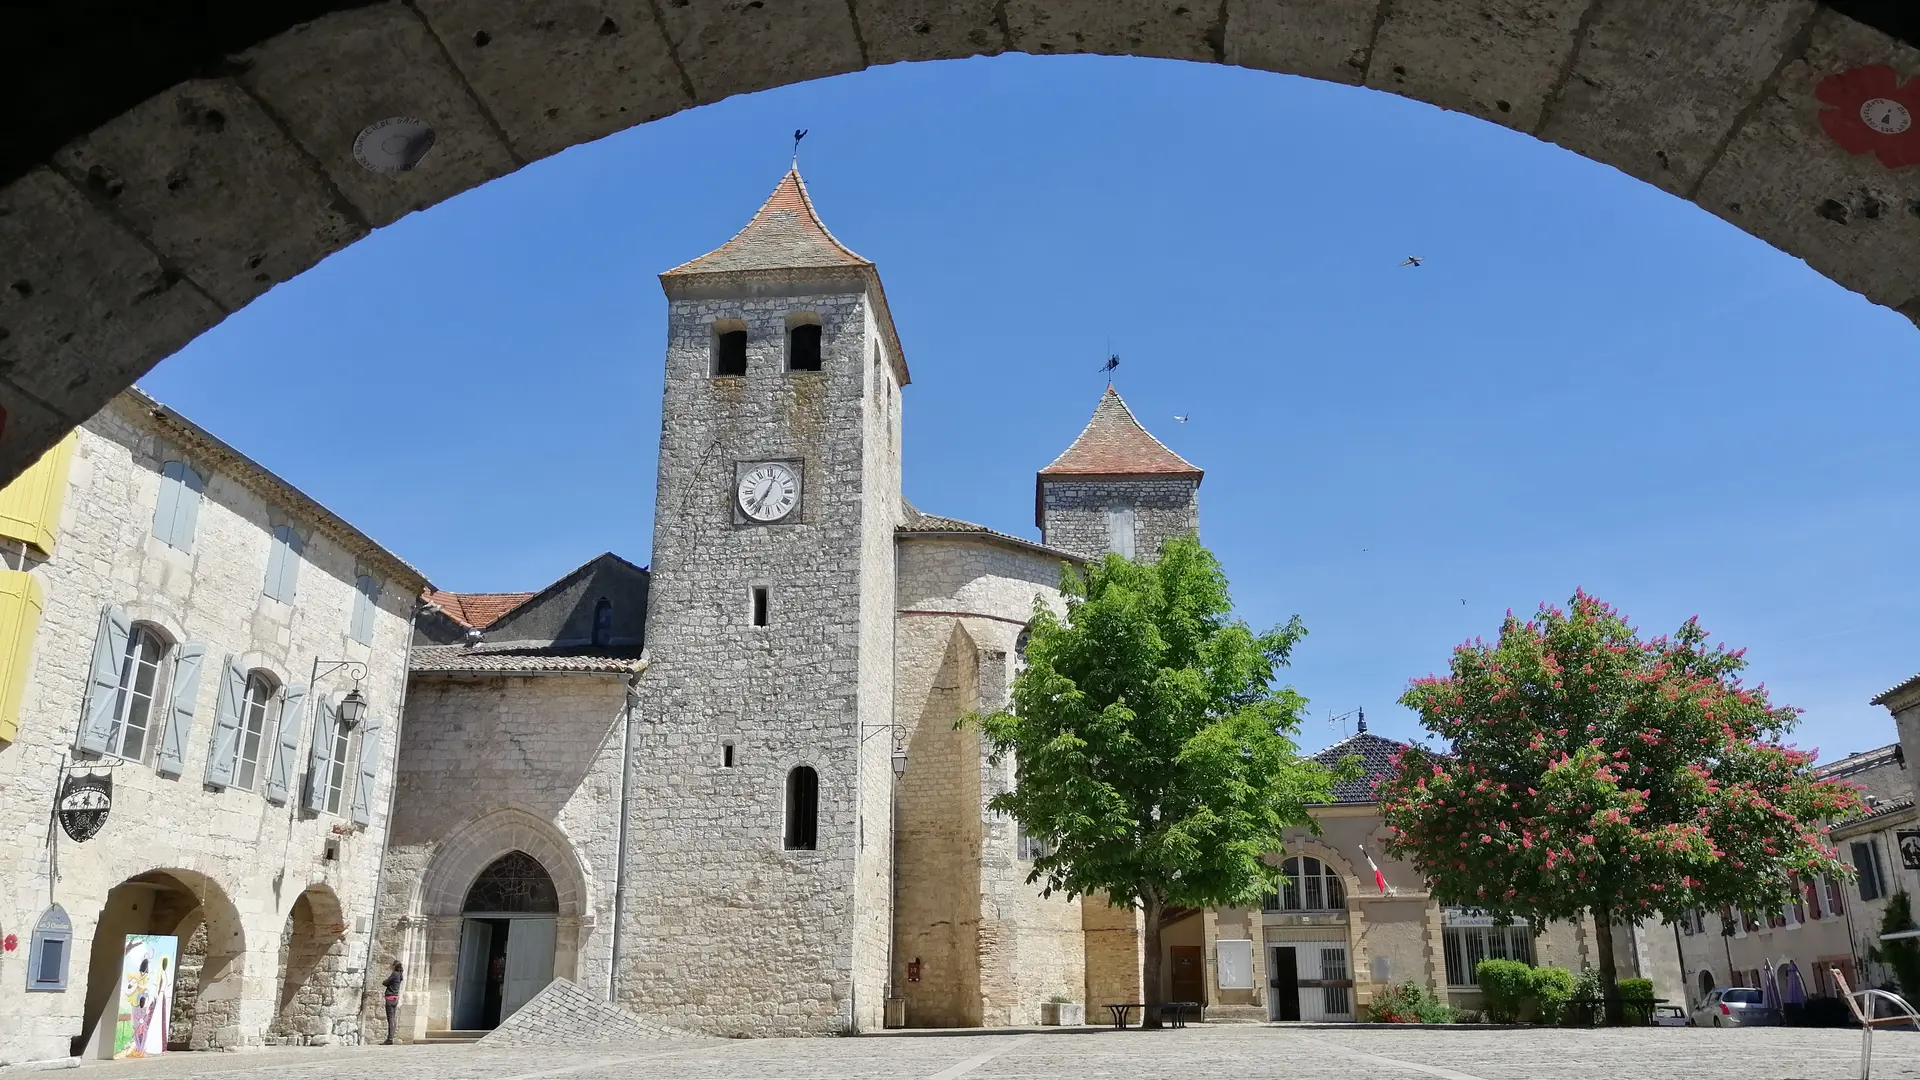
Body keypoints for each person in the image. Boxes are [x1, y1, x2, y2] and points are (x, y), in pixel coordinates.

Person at [382, 962, 403, 1044]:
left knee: (390, 1019)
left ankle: (390, 1039)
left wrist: (385, 982)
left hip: (390, 998)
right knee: (393, 1018)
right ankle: (391, 1037)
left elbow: (385, 982)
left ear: (394, 966)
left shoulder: (394, 974)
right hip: (395, 998)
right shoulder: (400, 975)